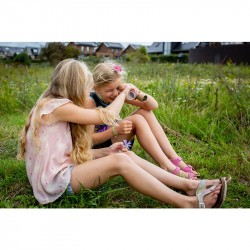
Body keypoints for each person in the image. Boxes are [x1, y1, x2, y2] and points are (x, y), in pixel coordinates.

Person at [17, 58, 228, 208]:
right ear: (76, 86)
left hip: (63, 170)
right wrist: (124, 94)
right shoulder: (57, 107)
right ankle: (187, 203)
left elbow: (64, 152)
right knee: (120, 162)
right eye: (86, 87)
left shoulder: (56, 105)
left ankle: (190, 186)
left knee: (122, 154)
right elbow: (105, 117)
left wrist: (106, 151)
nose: (87, 92)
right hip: (55, 183)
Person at [86, 60, 198, 179]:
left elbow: (152, 106)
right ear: (97, 88)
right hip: (101, 149)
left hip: (114, 137)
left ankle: (174, 159)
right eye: (109, 90)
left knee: (145, 112)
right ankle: (166, 166)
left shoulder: (117, 93)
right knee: (137, 119)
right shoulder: (90, 101)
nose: (115, 93)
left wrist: (137, 93)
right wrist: (115, 130)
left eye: (118, 87)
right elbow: (89, 140)